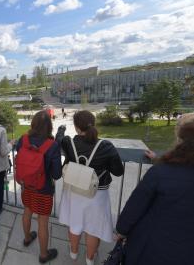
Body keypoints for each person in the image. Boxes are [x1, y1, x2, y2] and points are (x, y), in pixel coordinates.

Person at [115, 113, 194, 265]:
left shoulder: (161, 172)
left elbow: (135, 206)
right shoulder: (163, 171)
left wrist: (121, 230)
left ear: (180, 140)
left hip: (153, 250)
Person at [57, 110, 124, 265]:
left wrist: (61, 130)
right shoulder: (106, 146)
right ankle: (89, 259)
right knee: (93, 228)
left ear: (76, 127)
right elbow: (118, 172)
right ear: (93, 124)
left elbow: (59, 139)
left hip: (74, 191)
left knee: (75, 223)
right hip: (97, 194)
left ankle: (73, 254)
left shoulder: (69, 142)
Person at [15, 111, 62, 264]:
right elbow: (56, 175)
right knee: (42, 221)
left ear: (33, 124)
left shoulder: (23, 139)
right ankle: (43, 255)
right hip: (43, 189)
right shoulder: (52, 145)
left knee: (27, 210)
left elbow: (20, 156)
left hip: (26, 185)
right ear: (49, 126)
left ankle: (27, 238)